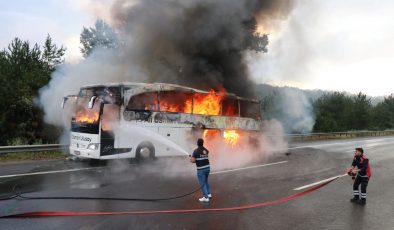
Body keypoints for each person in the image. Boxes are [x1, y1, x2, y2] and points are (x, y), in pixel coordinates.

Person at [190, 138, 211, 202]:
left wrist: (191, 159)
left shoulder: (196, 151)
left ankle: (205, 197)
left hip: (201, 170)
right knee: (206, 181)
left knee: (202, 183)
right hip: (207, 168)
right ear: (203, 143)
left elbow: (193, 161)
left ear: (197, 143)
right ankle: (209, 194)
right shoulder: (206, 150)